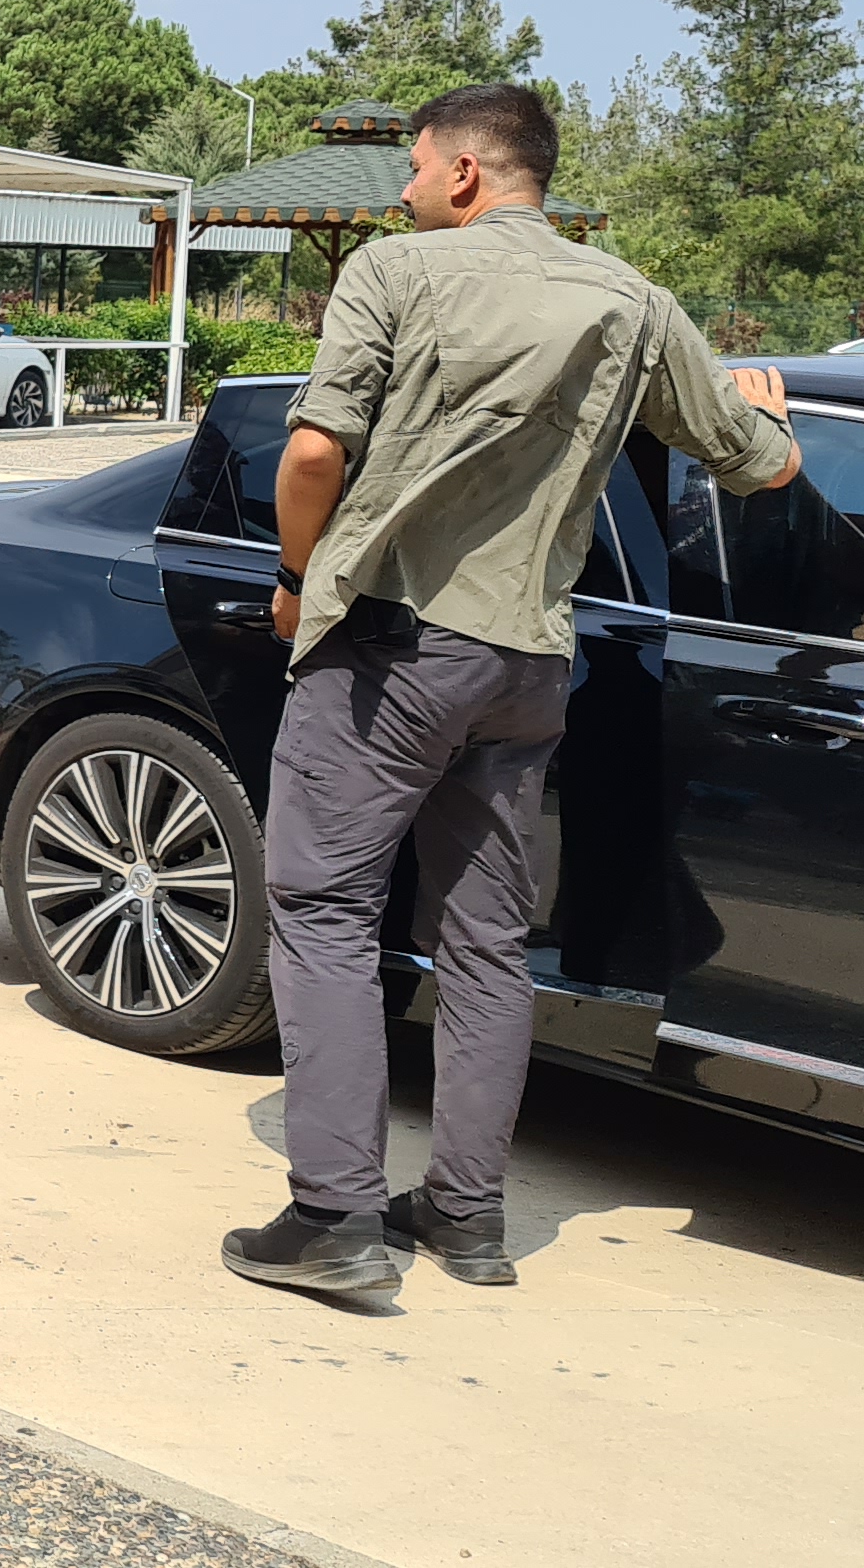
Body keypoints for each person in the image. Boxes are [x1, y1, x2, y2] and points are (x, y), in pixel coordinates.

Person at [225, 83, 799, 1298]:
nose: (403, 189)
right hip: (530, 662)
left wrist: (294, 579)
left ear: (468, 175)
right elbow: (763, 467)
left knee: (322, 915)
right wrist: (762, 417)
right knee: (486, 941)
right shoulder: (637, 301)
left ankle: (334, 1218)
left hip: (390, 645)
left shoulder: (395, 273)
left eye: (418, 168)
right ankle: (468, 1218)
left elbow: (316, 450)